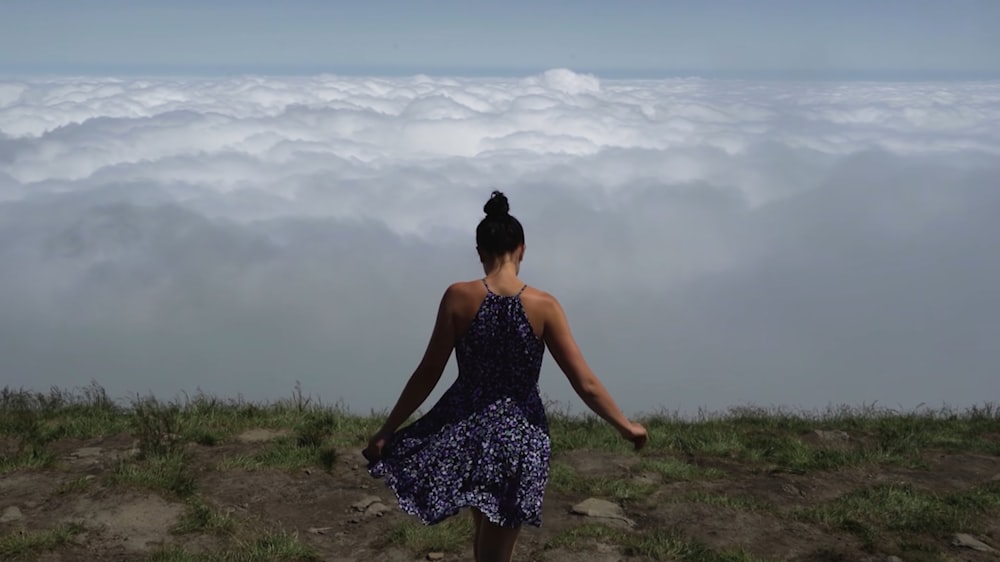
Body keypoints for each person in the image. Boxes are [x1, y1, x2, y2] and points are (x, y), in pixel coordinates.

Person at [364, 190, 648, 562]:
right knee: (494, 551)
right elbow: (586, 383)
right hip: (518, 438)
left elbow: (428, 373)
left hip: (466, 432)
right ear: (522, 250)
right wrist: (625, 426)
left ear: (480, 252)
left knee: (485, 540)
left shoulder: (457, 297)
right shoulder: (544, 306)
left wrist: (389, 428)